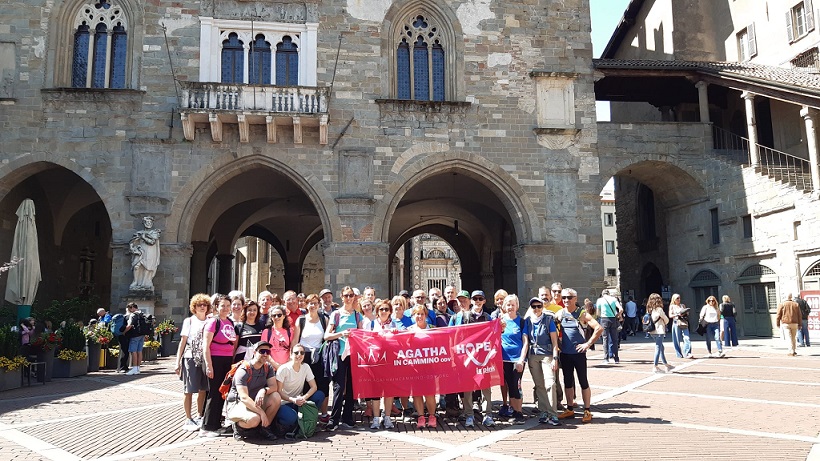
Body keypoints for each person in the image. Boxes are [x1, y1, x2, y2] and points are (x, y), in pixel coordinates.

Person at [556, 288, 603, 424]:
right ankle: (569, 408)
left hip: (579, 354)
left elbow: (599, 328)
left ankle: (587, 410)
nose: (566, 300)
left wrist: (587, 344)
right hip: (565, 353)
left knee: (583, 381)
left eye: (569, 297)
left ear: (575, 299)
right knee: (567, 381)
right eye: (564, 297)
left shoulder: (581, 313)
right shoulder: (560, 313)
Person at [450, 290, 494, 427]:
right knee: (468, 386)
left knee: (486, 386)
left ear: (484, 301)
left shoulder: (488, 317)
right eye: (475, 298)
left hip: (484, 357)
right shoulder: (463, 317)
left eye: (480, 298)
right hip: (468, 357)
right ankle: (469, 415)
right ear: (472, 301)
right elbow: (454, 335)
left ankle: (488, 414)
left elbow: (494, 335)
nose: (478, 301)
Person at [324, 286, 363, 431]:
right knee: (338, 386)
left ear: (354, 297)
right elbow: (327, 336)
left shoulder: (358, 315)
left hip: (353, 354)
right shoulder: (336, 314)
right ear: (341, 297)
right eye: (346, 295)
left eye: (351, 295)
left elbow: (362, 334)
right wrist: (342, 334)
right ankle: (334, 419)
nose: (348, 298)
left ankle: (347, 417)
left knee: (352, 387)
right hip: (339, 354)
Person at [226, 341, 280, 441]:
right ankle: (238, 427)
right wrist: (261, 413)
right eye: (262, 351)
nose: (265, 354)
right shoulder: (244, 370)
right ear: (254, 353)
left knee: (276, 396)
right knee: (255, 419)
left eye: (267, 352)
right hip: (238, 403)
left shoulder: (268, 367)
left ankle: (264, 428)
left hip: (255, 400)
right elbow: (244, 397)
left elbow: (274, 387)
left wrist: (263, 390)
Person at [200, 294, 237, 437]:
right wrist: (209, 365)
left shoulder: (229, 322)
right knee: (214, 392)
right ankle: (207, 427)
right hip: (214, 359)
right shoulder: (212, 322)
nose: (226, 308)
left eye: (228, 306)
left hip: (226, 360)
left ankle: (215, 424)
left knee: (222, 392)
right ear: (216, 307)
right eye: (223, 306)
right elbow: (205, 346)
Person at [175, 294, 210, 431]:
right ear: (194, 307)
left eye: (204, 305)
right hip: (190, 357)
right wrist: (177, 362)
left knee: (203, 389)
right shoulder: (189, 321)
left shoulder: (210, 321)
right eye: (199, 305)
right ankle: (188, 418)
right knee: (188, 389)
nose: (202, 307)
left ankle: (199, 415)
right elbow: (182, 342)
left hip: (205, 358)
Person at [294, 294, 331, 424]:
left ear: (319, 305)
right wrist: (292, 357)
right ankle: (305, 413)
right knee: (304, 384)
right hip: (304, 356)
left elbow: (327, 337)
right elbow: (295, 339)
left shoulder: (324, 319)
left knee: (323, 383)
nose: (313, 306)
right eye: (310, 303)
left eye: (315, 303)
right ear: (306, 305)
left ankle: (324, 413)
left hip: (320, 356)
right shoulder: (301, 320)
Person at [275, 344, 325, 436]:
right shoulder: (283, 369)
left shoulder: (305, 367)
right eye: (296, 352)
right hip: (285, 403)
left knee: (319, 395)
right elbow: (279, 391)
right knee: (291, 417)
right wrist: (293, 400)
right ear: (290, 354)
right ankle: (282, 424)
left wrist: (304, 398)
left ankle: (308, 420)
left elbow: (314, 387)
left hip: (300, 402)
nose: (299, 355)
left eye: (302, 353)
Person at [525, 297, 561, 426]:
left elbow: (554, 341)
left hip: (547, 355)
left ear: (542, 307)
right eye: (533, 306)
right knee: (539, 385)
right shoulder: (528, 321)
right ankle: (543, 411)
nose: (536, 309)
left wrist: (555, 358)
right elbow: (525, 341)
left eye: (539, 306)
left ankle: (553, 413)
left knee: (550, 383)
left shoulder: (548, 320)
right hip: (533, 356)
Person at [499, 294, 529, 424]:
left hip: (517, 359)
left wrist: (521, 360)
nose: (510, 307)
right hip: (504, 359)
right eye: (508, 304)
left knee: (517, 385)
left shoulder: (522, 322)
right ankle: (513, 410)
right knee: (510, 385)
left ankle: (519, 412)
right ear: (504, 306)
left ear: (517, 306)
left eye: (513, 304)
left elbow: (525, 342)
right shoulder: (500, 321)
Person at [407, 305, 438, 428]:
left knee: (430, 393)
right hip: (414, 367)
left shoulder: (432, 329)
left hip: (430, 366)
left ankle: (432, 416)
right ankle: (420, 417)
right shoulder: (409, 330)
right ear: (413, 316)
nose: (419, 316)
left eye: (422, 314)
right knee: (417, 393)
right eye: (417, 314)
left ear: (426, 315)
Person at [129, 216, 161, 291]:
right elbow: (132, 242)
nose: (149, 223)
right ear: (144, 223)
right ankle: (136, 282)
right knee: (136, 265)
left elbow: (152, 242)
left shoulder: (154, 233)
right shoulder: (139, 233)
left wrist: (143, 237)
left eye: (150, 222)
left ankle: (145, 283)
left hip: (150, 253)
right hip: (140, 252)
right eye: (147, 222)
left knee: (148, 267)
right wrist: (133, 248)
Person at [646, 293, 673, 373]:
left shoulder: (649, 309)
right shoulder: (659, 309)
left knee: (661, 347)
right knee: (658, 348)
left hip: (651, 331)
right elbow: (666, 320)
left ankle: (666, 365)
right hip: (659, 330)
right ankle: (655, 366)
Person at [596, 289, 623, 365]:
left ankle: (606, 358)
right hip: (613, 319)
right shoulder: (614, 299)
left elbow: (598, 312)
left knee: (605, 339)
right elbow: (621, 309)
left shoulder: (600, 300)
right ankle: (616, 358)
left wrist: (600, 316)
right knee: (614, 339)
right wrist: (617, 315)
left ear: (602, 294)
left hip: (604, 319)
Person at [669, 293, 693, 359]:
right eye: (677, 298)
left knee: (687, 338)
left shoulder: (682, 305)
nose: (679, 299)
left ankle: (687, 352)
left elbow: (687, 313)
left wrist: (685, 313)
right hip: (676, 323)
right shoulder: (672, 306)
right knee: (676, 339)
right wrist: (677, 314)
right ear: (674, 299)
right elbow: (670, 315)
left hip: (683, 322)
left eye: (679, 298)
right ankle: (678, 354)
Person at [123, 303, 144, 375]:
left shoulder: (133, 315)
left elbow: (129, 325)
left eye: (129, 309)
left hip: (135, 335)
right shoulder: (142, 313)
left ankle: (134, 368)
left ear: (132, 308)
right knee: (139, 351)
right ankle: (138, 368)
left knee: (133, 351)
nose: (129, 311)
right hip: (142, 334)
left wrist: (124, 332)